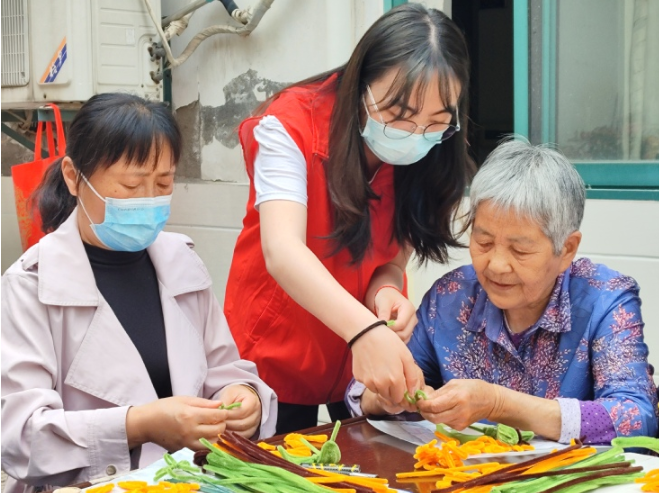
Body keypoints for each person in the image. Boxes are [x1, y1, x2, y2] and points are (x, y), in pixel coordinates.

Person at [1, 93, 277, 493]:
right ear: (74, 177)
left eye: (163, 182)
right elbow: (20, 437)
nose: (149, 199)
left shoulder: (181, 263)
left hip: (191, 482)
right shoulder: (31, 285)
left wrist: (244, 398)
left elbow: (223, 371)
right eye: (131, 185)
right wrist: (138, 425)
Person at [224, 3, 474, 434]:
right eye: (399, 115)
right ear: (361, 86)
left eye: (436, 121)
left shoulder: (432, 152)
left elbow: (393, 258)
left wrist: (386, 288)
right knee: (276, 461)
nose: (416, 135)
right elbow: (282, 249)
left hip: (359, 357)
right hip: (278, 347)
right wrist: (363, 330)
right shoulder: (290, 124)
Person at [350, 139, 658, 443]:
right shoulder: (451, 297)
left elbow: (635, 417)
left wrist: (499, 404)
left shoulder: (605, 300)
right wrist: (389, 397)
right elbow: (367, 393)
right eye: (483, 242)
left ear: (566, 249)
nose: (496, 265)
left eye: (520, 250)